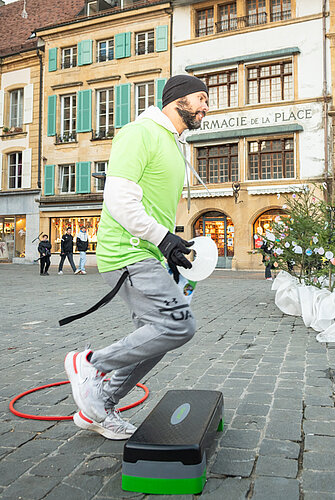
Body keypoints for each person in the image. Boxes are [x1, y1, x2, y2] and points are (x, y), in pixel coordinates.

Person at [64, 75, 209, 440]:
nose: (206, 107)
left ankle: (98, 407)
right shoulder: (139, 132)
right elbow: (119, 201)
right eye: (201, 98)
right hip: (126, 251)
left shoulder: (174, 144)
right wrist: (163, 239)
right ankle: (91, 363)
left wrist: (169, 247)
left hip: (146, 253)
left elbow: (154, 207)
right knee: (178, 325)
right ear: (177, 99)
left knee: (158, 335)